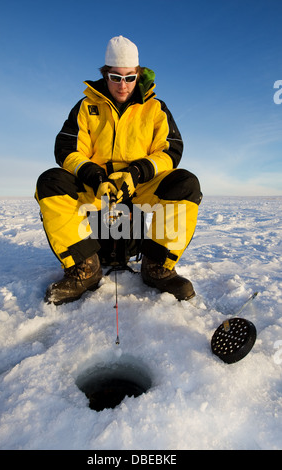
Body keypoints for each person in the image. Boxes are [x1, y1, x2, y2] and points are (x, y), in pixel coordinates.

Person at [35, 35, 202, 306]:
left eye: (129, 77)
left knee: (186, 183)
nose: (122, 85)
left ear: (138, 74)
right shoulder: (86, 107)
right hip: (97, 188)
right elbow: (66, 148)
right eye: (115, 77)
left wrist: (136, 174)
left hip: (140, 188)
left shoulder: (156, 108)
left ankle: (158, 266)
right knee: (50, 182)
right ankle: (84, 268)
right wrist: (95, 175)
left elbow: (170, 150)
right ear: (105, 74)